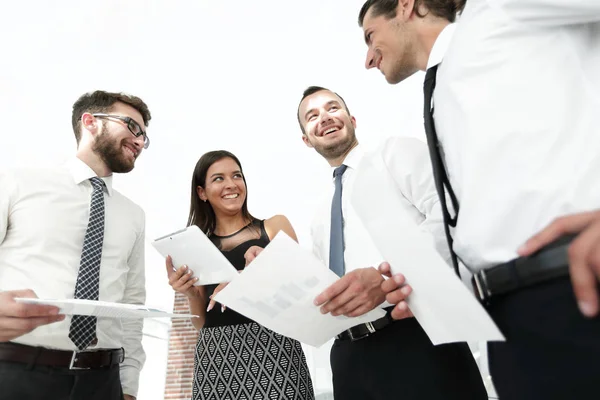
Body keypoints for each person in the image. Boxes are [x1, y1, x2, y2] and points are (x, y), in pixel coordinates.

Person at [358, 0, 600, 398]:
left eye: (370, 36)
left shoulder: (499, 11)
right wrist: (412, 282)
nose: (368, 59)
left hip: (572, 288)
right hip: (508, 324)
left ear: (405, 6)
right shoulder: (443, 90)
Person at [293, 85, 486, 400]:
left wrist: (389, 279)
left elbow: (450, 215)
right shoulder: (319, 214)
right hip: (348, 358)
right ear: (307, 139)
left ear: (352, 118)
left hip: (416, 335)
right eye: (312, 116)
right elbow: (322, 283)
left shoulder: (395, 154)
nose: (324, 118)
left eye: (332, 108)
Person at [0, 90, 151, 400]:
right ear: (90, 122)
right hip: (15, 372)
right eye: (132, 127)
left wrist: (129, 385)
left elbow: (132, 305)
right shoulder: (17, 183)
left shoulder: (134, 215)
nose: (140, 141)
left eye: (145, 137)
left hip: (103, 383)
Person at [165, 150, 314, 400]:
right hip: (215, 357)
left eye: (237, 175)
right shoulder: (195, 245)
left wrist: (247, 279)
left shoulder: (274, 226)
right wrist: (191, 294)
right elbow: (202, 322)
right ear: (201, 192)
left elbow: (302, 289)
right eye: (219, 178)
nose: (231, 184)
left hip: (273, 350)